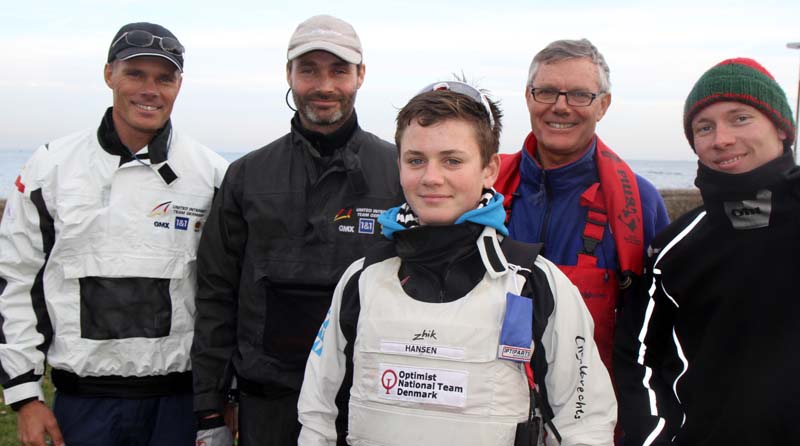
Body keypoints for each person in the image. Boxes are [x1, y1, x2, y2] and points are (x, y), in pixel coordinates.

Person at [297, 81, 617, 446]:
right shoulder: (362, 279)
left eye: (452, 160)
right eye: (416, 160)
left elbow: (586, 422)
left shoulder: (535, 283)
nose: (432, 178)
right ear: (398, 165)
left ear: (489, 169)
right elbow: (317, 415)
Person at [0, 22, 228, 446]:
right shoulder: (50, 169)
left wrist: (224, 398)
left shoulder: (212, 175)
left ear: (180, 84)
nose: (150, 90)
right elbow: (16, 279)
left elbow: (227, 293)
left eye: (164, 78)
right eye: (135, 74)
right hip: (84, 405)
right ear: (109, 75)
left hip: (179, 406)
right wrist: (25, 396)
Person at [190, 14, 403, 446]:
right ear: (288, 74)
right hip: (268, 401)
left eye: (339, 70)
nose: (324, 85)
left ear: (361, 75)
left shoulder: (400, 172)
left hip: (368, 399)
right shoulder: (246, 176)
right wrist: (211, 407)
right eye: (308, 70)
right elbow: (216, 292)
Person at [614, 57, 800, 445]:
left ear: (782, 128)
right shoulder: (674, 249)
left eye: (740, 118)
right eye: (704, 127)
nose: (722, 139)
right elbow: (641, 360)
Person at [494, 39, 669, 375]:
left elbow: (658, 334)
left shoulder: (639, 205)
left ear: (603, 105)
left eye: (579, 95)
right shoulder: (484, 190)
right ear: (528, 97)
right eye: (546, 91)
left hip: (592, 416)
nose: (560, 107)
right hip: (488, 408)